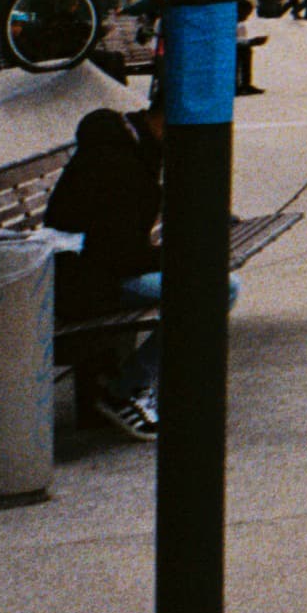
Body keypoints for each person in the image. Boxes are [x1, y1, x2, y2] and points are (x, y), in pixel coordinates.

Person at [42, 80, 235, 442]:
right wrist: (183, 255)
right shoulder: (120, 164)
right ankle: (126, 389)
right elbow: (120, 255)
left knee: (212, 283)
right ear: (168, 121)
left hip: (88, 271)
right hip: (85, 284)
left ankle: (136, 383)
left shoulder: (131, 147)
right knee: (216, 289)